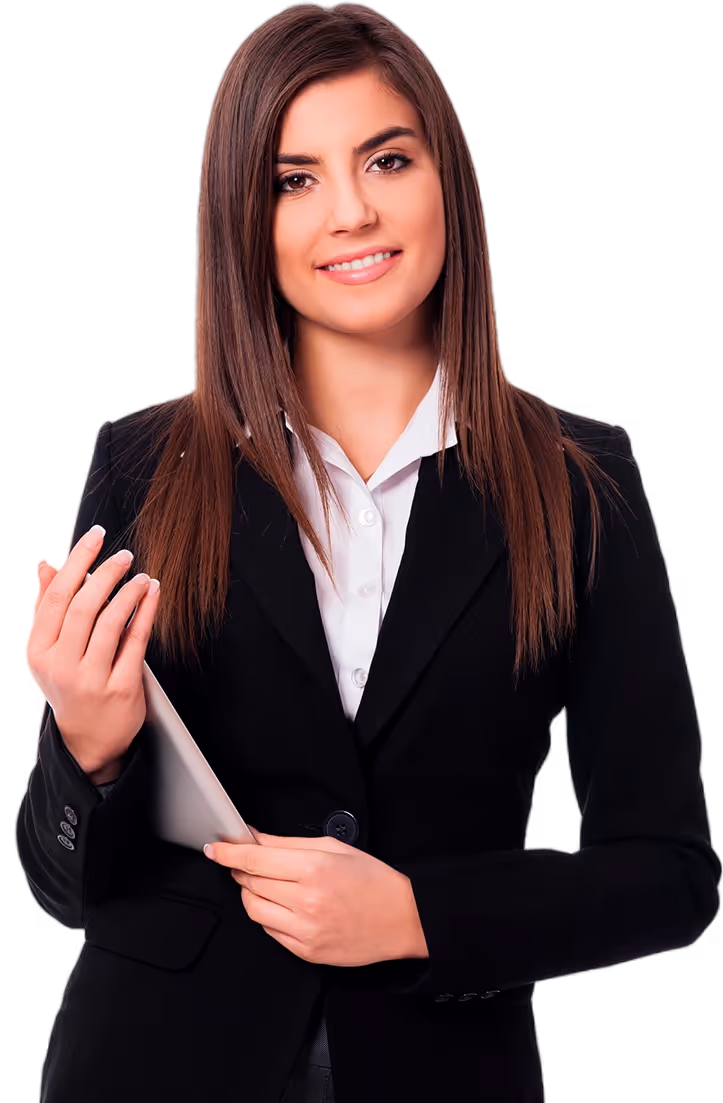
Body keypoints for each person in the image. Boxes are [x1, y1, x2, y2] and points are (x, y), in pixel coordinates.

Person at [16, 6, 721, 1103]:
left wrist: (416, 916)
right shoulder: (149, 467)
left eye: (386, 159)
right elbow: (60, 885)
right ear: (242, 222)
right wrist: (89, 753)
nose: (350, 211)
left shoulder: (585, 486)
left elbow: (670, 870)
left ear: (448, 183)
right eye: (292, 179)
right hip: (156, 1063)